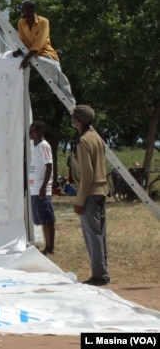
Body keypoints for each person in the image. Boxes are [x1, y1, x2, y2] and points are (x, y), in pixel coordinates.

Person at [70, 105, 110, 286]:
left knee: (92, 235)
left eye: (73, 117)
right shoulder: (97, 138)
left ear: (78, 120)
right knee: (100, 234)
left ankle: (99, 275)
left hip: (90, 193)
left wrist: (80, 201)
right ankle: (102, 271)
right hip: (101, 190)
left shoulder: (84, 140)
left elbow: (87, 174)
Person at [12, 0, 76, 107]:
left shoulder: (43, 22)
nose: (21, 12)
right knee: (55, 82)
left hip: (47, 54)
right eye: (21, 9)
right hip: (32, 56)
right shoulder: (21, 23)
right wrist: (18, 51)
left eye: (24, 10)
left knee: (61, 79)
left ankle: (71, 105)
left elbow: (39, 43)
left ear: (32, 10)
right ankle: (62, 97)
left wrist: (26, 59)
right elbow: (22, 40)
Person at [28, 121, 56, 255]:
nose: (30, 133)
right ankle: (47, 246)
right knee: (42, 219)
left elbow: (49, 165)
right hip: (35, 188)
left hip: (41, 188)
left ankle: (50, 247)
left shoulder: (44, 146)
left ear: (40, 131)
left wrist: (44, 186)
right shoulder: (36, 147)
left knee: (48, 218)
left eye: (32, 130)